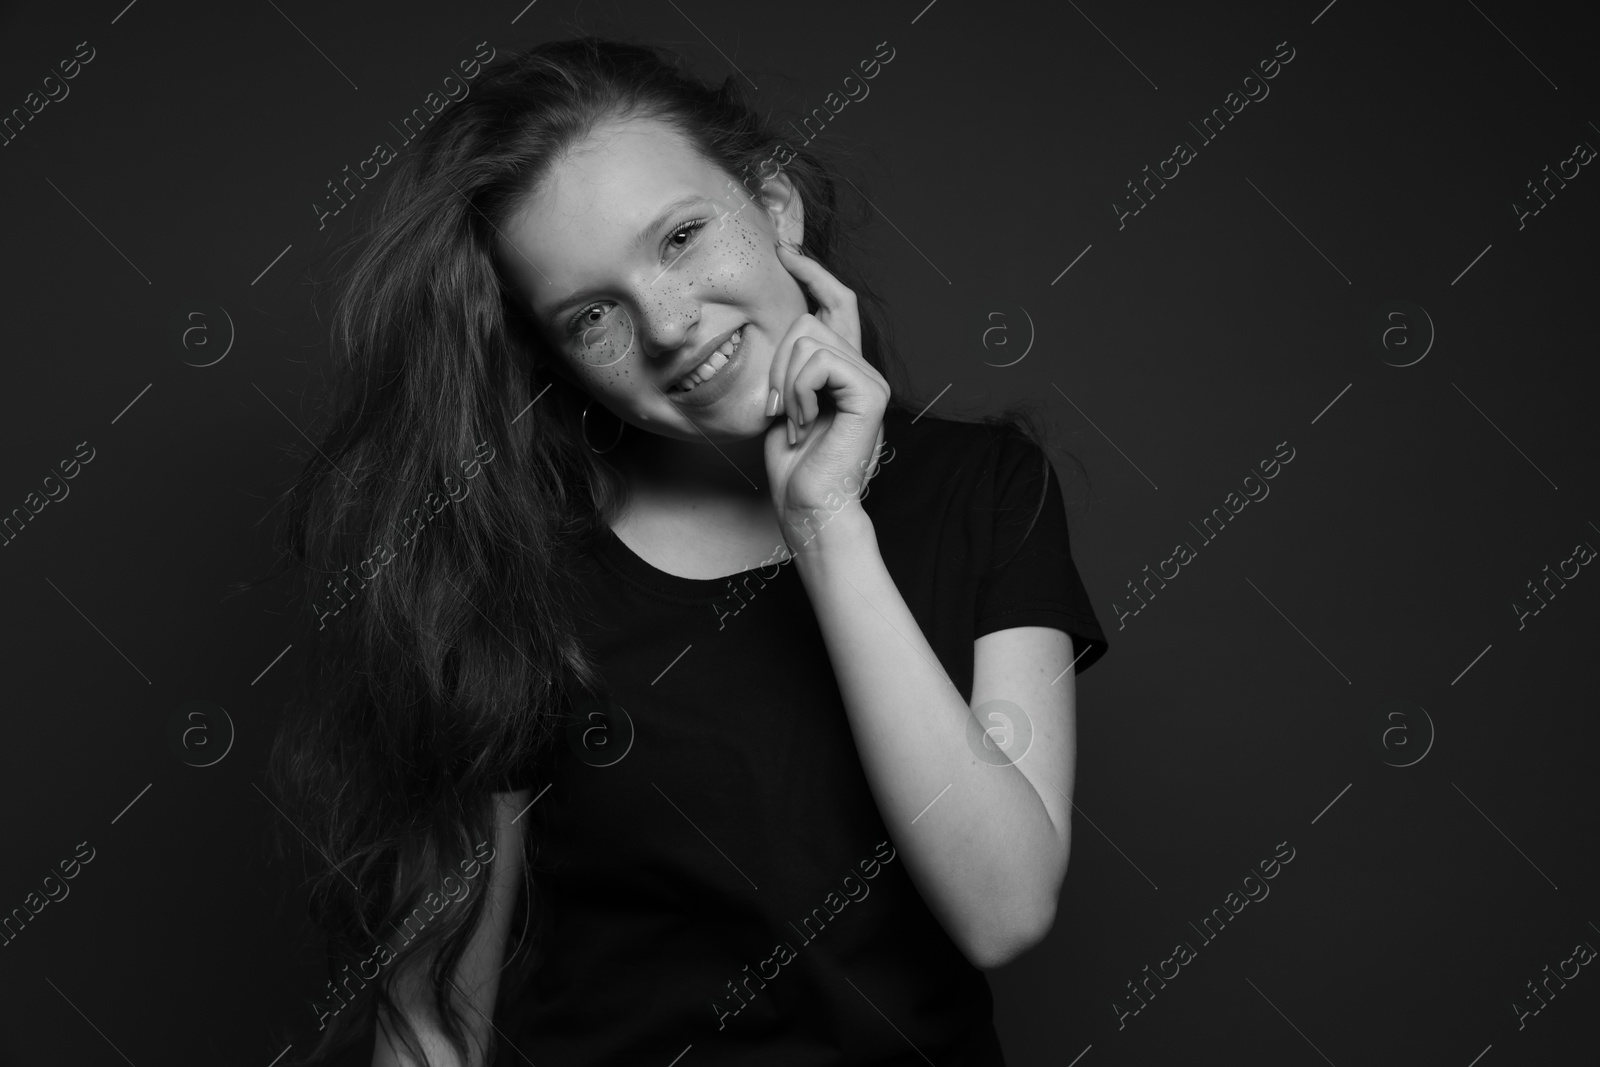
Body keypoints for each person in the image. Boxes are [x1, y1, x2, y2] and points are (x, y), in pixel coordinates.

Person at [264, 35, 1109, 1067]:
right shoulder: (511, 567)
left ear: (776, 206)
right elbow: (434, 1018)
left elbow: (1003, 905)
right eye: (591, 315)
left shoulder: (984, 489)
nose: (666, 323)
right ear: (557, 360)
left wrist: (826, 525)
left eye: (682, 236)